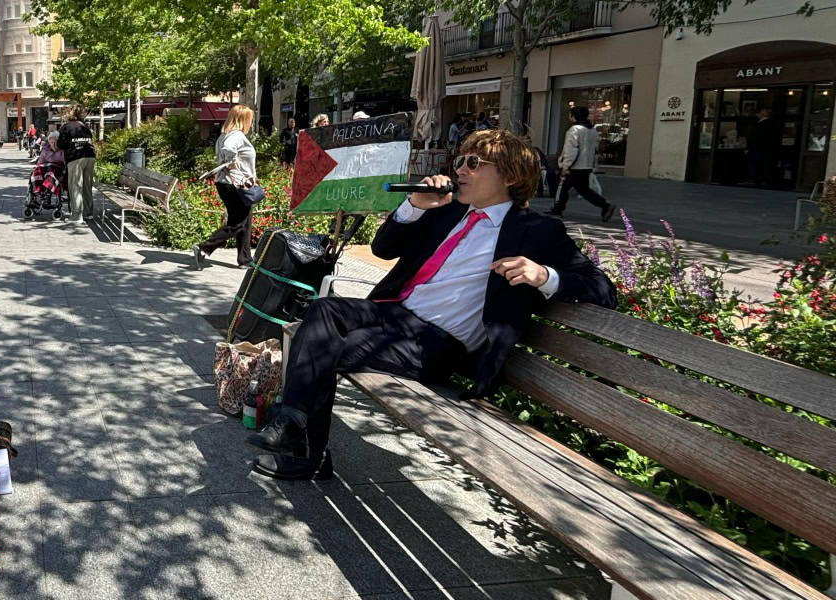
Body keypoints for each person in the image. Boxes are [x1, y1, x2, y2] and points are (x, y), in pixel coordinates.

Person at [244, 128, 618, 480]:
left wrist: (544, 276)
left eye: (474, 163)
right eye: (460, 161)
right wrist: (415, 205)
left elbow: (603, 288)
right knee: (324, 309)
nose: (460, 169)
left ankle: (304, 450)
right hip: (393, 312)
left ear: (510, 177)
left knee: (325, 345)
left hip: (435, 343)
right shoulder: (448, 209)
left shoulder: (538, 231)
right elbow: (382, 249)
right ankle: (294, 426)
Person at [192, 104, 258, 269]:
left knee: (245, 220)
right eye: (249, 119)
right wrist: (232, 163)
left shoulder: (224, 135)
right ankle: (204, 247)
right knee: (239, 222)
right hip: (234, 183)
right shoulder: (236, 135)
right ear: (243, 120)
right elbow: (229, 149)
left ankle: (245, 259)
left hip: (226, 183)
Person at [549, 105, 617, 222]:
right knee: (583, 190)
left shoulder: (574, 130)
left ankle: (557, 209)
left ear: (573, 116)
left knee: (561, 186)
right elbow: (595, 148)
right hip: (586, 166)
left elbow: (571, 149)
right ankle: (604, 205)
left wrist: (566, 166)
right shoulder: (592, 130)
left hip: (574, 166)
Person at [58, 105, 97, 222]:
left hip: (76, 157)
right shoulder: (84, 126)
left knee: (75, 186)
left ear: (69, 114)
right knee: (87, 186)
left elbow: (60, 144)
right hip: (90, 155)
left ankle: (76, 216)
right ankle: (88, 213)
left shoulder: (66, 127)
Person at [746, 108, 779, 188]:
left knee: (757, 164)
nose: (758, 114)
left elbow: (755, 137)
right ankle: (762, 179)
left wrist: (749, 147)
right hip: (766, 149)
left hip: (758, 148)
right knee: (763, 164)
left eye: (760, 113)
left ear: (763, 114)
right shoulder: (772, 124)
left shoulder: (761, 125)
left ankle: (756, 179)